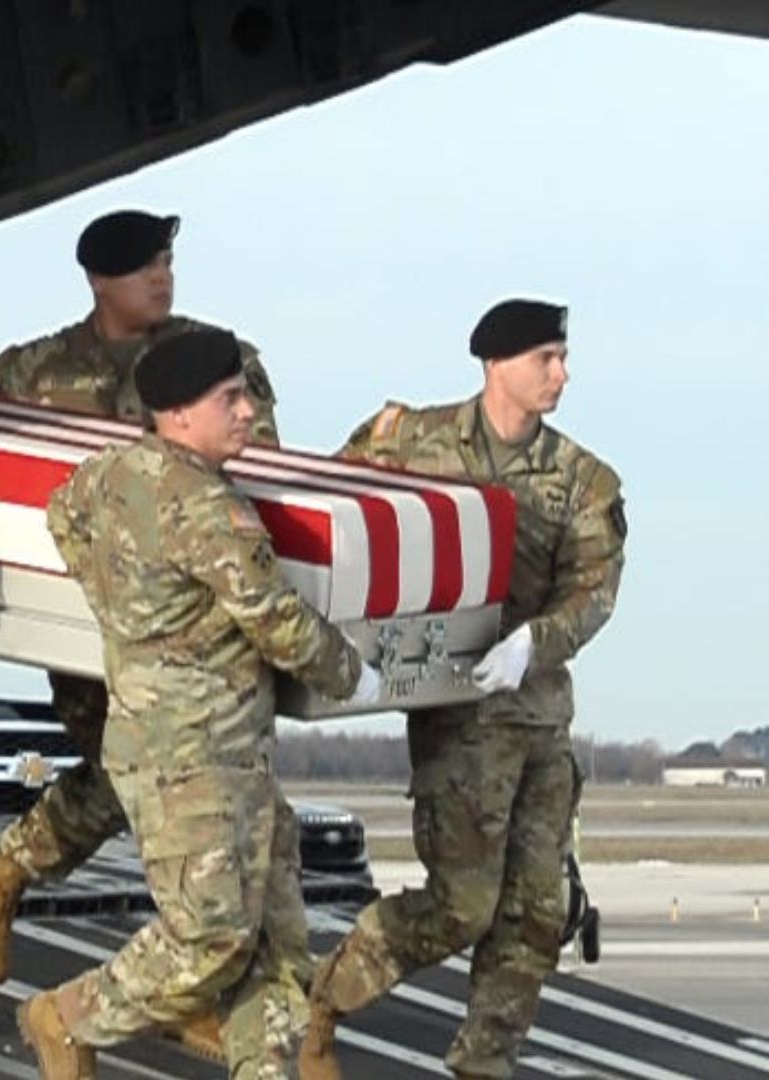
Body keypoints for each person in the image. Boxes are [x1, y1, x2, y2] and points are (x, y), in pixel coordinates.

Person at [0, 211, 294, 1060]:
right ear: (100, 280)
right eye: (146, 268)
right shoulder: (34, 370)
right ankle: (27, 896)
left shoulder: (220, 361)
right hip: (83, 627)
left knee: (173, 807)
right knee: (148, 794)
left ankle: (13, 877)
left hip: (193, 640)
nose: (163, 278)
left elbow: (257, 476)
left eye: (168, 262)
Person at [14, 329, 378, 1080]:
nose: (248, 412)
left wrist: (128, 612)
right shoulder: (208, 509)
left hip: (210, 750)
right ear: (178, 413)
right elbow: (275, 618)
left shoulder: (110, 475)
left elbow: (61, 515)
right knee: (211, 937)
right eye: (230, 399)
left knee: (275, 943)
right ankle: (69, 1016)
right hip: (193, 759)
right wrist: (357, 676)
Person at [300, 299, 625, 1080]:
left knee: (535, 914)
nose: (562, 374)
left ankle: (484, 1064)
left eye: (563, 357)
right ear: (496, 364)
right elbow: (331, 504)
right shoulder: (413, 438)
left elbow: (593, 591)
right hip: (457, 718)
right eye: (546, 358)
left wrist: (534, 643)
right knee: (461, 906)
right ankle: (321, 1001)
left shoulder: (583, 480)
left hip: (537, 714)